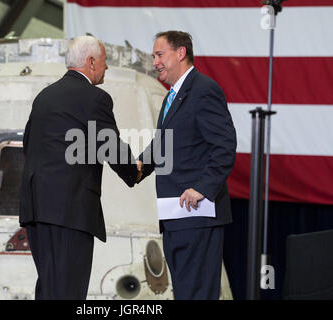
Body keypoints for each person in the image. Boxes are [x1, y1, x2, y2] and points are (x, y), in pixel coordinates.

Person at [19, 35, 142, 300]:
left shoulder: (44, 96)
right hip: (69, 211)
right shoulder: (94, 98)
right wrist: (134, 171)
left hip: (37, 209)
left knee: (51, 288)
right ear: (91, 62)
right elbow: (110, 145)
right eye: (105, 61)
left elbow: (29, 144)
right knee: (68, 292)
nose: (106, 67)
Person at [137, 31, 237, 299]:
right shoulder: (172, 97)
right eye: (154, 56)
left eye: (160, 55)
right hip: (176, 219)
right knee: (185, 293)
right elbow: (165, 145)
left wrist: (201, 188)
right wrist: (137, 166)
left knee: (197, 294)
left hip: (197, 216)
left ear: (180, 53)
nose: (155, 62)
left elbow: (224, 147)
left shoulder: (204, 90)